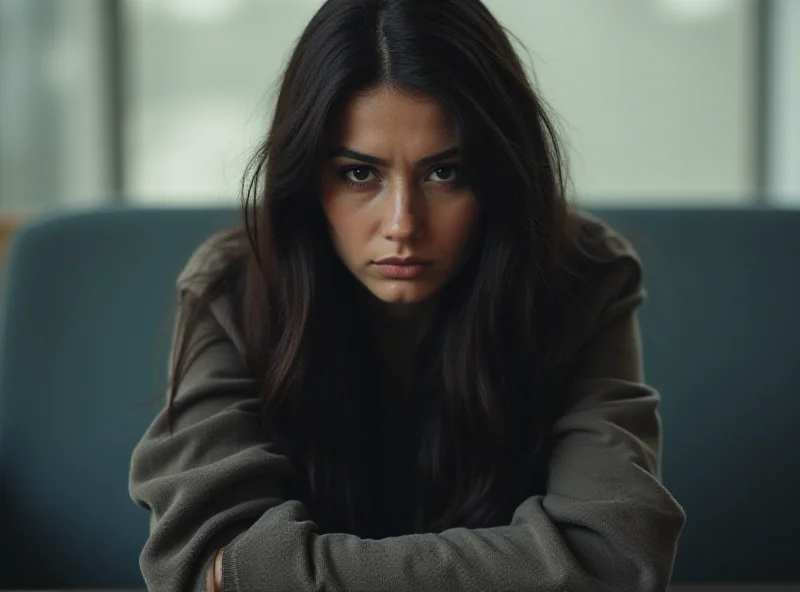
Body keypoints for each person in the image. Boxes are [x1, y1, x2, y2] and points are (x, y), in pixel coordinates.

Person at [129, 0, 685, 590]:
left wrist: (264, 570)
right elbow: (193, 562)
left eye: (443, 173)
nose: (402, 224)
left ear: (500, 174)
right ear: (306, 176)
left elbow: (616, 557)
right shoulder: (234, 285)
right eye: (359, 174)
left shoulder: (583, 276)